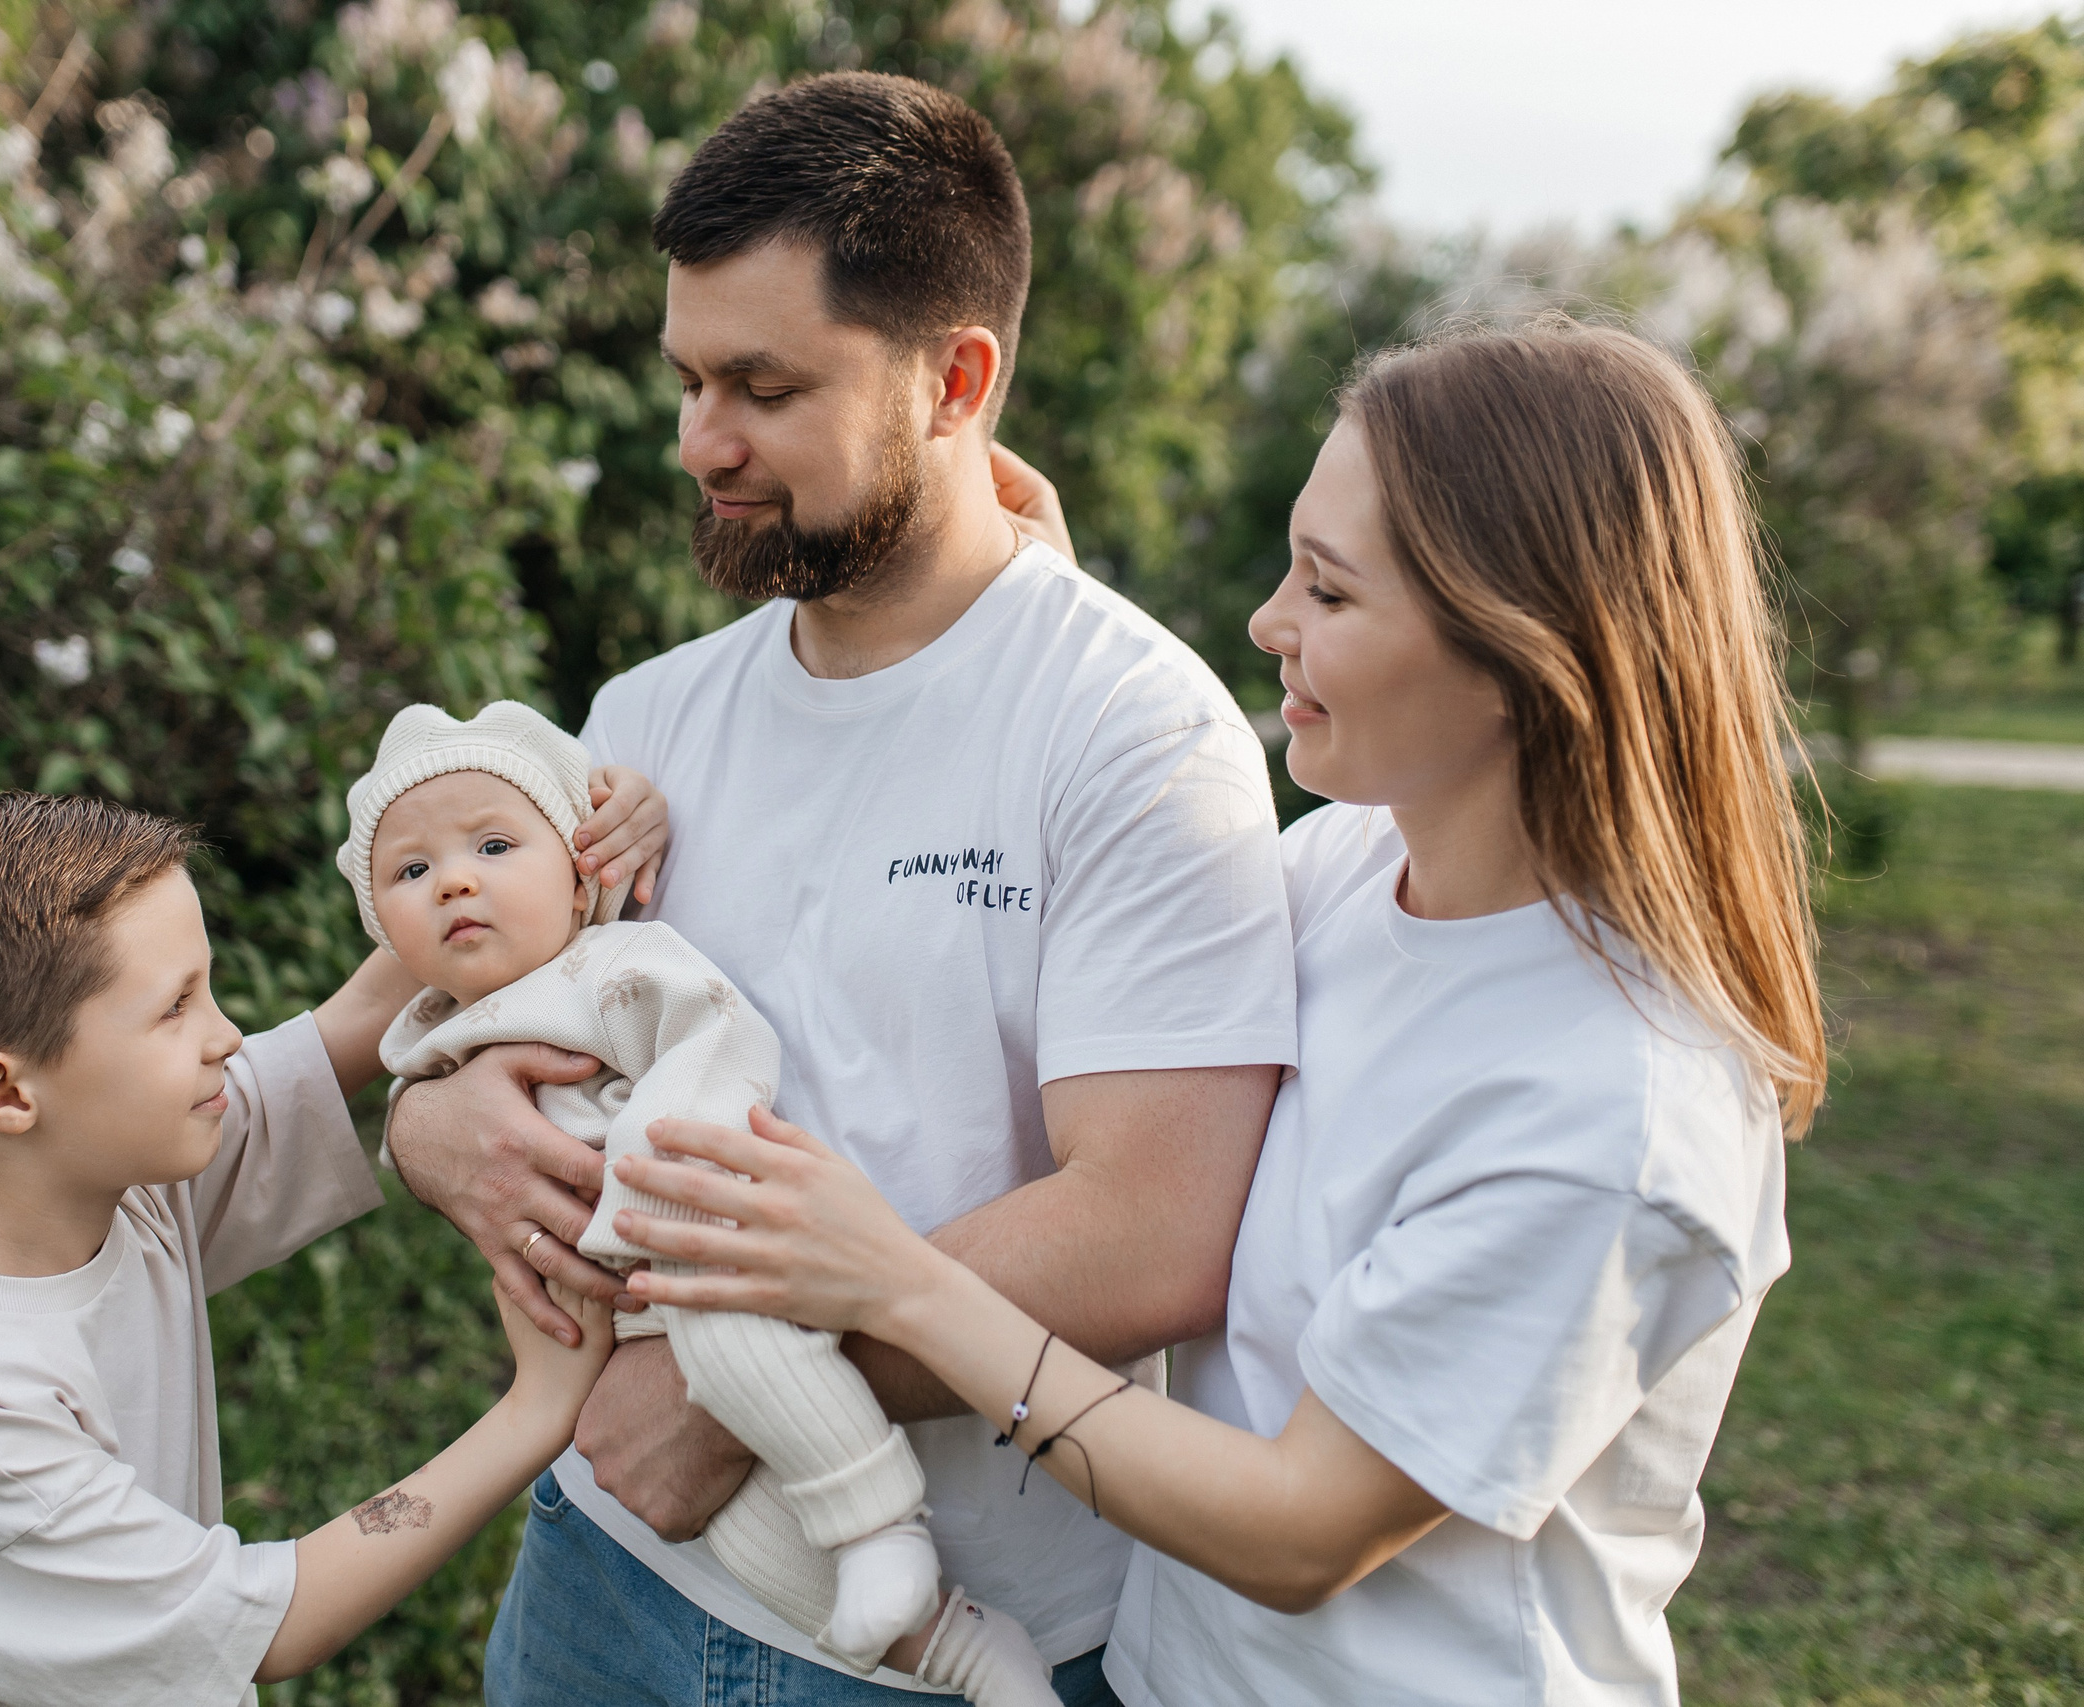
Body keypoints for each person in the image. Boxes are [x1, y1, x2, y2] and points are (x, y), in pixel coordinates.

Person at [608, 320, 1824, 1707]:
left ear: (1516, 659)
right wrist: (1030, 635)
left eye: (1330, 590)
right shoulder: (1352, 873)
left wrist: (900, 1284)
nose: (1268, 621)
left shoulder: (1615, 1106)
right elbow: (1122, 886)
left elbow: (1299, 1525)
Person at [383, 72, 1295, 1707]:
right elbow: (472, 1002)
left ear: (956, 380)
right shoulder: (644, 719)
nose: (698, 443)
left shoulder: (1134, 729)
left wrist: (740, 1392)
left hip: (952, 1637)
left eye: (762, 386)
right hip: (602, 1566)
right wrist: (426, 1121)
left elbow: (1154, 1227)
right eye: (684, 379)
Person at [0, 789, 635, 1704]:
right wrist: (537, 1408)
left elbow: (357, 1016)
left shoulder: (101, 1177)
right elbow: (265, 1624)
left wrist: (578, 816)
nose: (226, 1035)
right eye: (175, 1009)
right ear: (4, 1093)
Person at [339, 699, 1060, 1704]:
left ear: (580, 868)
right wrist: (418, 1133)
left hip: (697, 1238)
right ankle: (961, 1650)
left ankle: (877, 1522)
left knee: (736, 1352)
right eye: (409, 873)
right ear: (383, 929)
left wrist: (652, 1166)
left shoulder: (616, 966)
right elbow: (431, 1131)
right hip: (616, 1329)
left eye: (494, 845)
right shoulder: (424, 1033)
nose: (454, 878)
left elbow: (719, 1041)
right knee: (748, 1536)